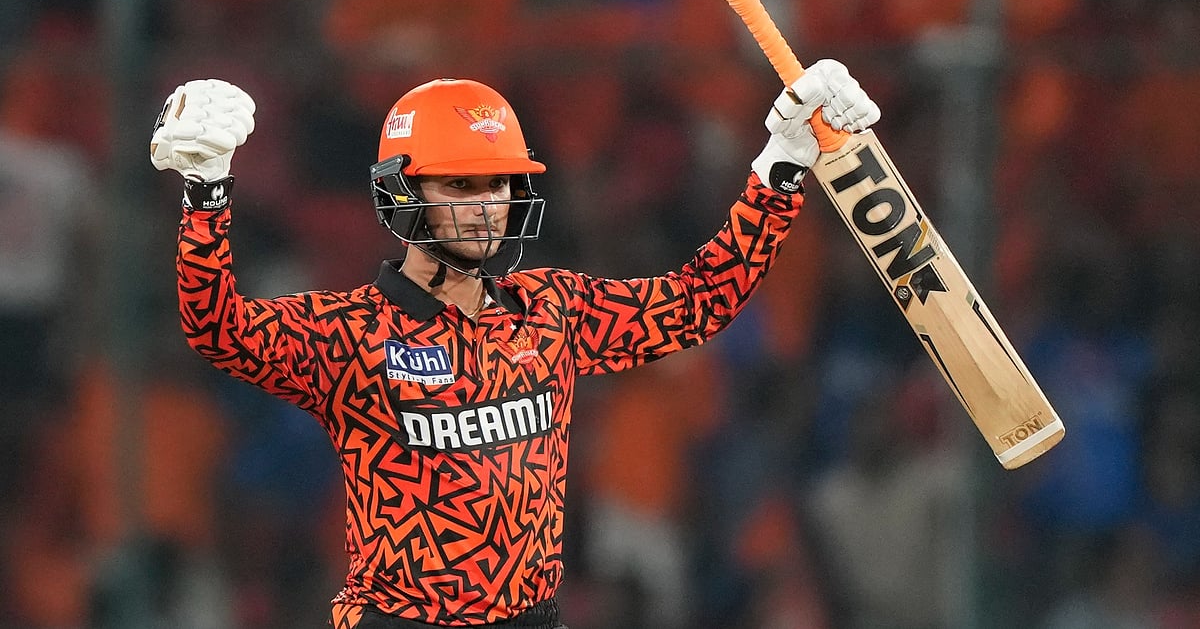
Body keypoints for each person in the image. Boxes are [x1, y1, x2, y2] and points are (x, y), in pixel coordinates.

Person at [150, 65, 879, 628]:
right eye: (460, 183)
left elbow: (697, 301)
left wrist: (779, 169)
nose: (487, 204)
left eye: (498, 183)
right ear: (401, 193)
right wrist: (206, 195)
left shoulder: (551, 310)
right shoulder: (351, 332)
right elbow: (220, 329)